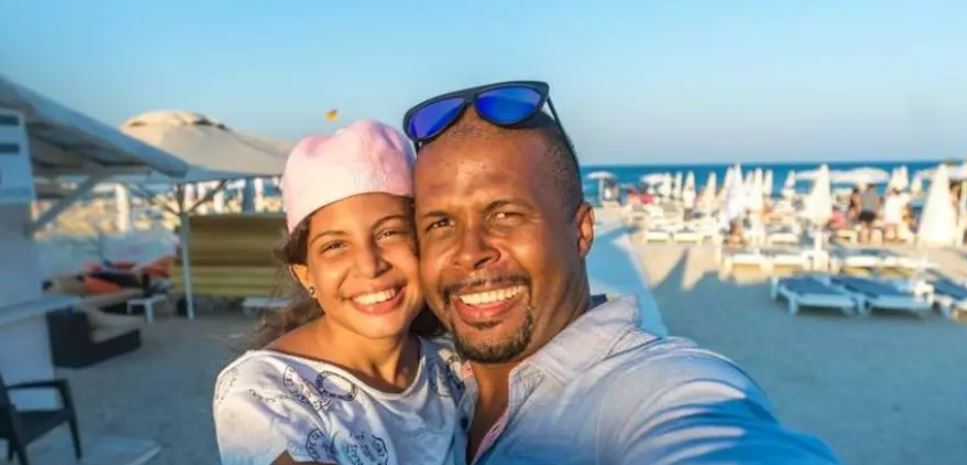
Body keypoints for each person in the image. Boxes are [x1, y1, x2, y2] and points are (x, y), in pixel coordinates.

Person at [402, 80, 840, 464]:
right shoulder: (431, 380)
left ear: (582, 231)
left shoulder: (651, 387)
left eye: (504, 215)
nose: (470, 253)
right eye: (440, 224)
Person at [213, 120, 465, 465]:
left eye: (389, 233)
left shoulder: (453, 368)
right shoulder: (264, 394)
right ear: (306, 274)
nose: (369, 266)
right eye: (335, 245)